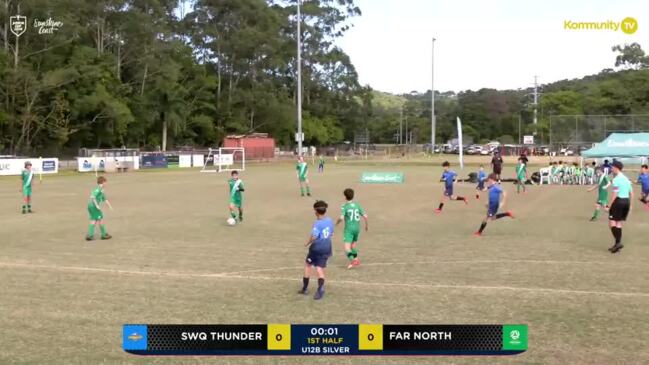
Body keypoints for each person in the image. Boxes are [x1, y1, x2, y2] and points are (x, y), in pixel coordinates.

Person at [299, 200, 334, 300]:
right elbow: (331, 233)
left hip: (317, 248)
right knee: (319, 268)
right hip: (327, 247)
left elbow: (314, 236)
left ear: (316, 211)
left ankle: (305, 288)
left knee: (307, 265)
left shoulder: (317, 223)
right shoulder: (330, 220)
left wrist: (307, 242)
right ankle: (320, 289)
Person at [335, 188, 368, 269]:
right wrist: (367, 226)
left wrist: (336, 223)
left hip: (349, 229)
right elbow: (365, 216)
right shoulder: (357, 205)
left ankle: (352, 261)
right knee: (352, 246)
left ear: (345, 197)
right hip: (357, 228)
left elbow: (341, 218)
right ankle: (356, 259)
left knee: (347, 247)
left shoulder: (344, 206)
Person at [606, 161, 633, 253]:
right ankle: (617, 245)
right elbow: (631, 192)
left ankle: (618, 243)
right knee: (618, 223)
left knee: (611, 223)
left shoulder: (616, 179)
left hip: (618, 201)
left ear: (616, 168)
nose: (611, 169)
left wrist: (609, 205)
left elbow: (615, 193)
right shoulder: (626, 179)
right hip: (626, 201)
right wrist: (631, 205)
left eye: (612, 167)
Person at [86, 176, 112, 241]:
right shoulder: (98, 189)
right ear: (103, 182)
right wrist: (97, 205)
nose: (106, 184)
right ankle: (103, 235)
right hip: (93, 206)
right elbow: (92, 197)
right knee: (100, 220)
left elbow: (105, 199)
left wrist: (109, 206)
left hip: (90, 206)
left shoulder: (101, 190)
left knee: (94, 220)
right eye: (105, 182)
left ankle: (90, 235)